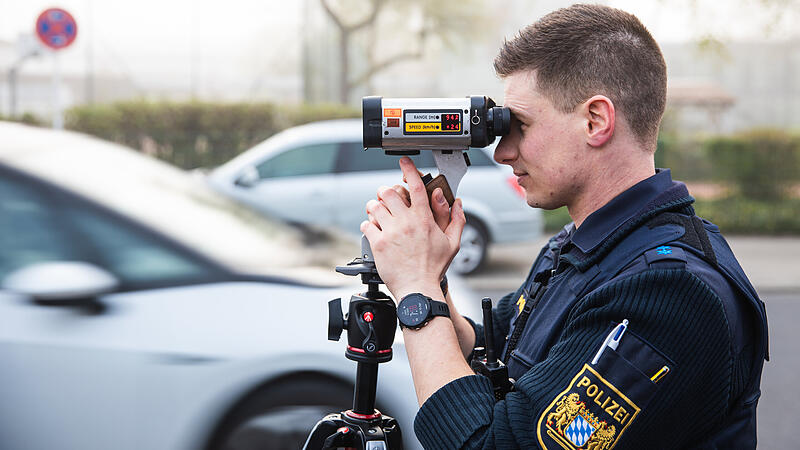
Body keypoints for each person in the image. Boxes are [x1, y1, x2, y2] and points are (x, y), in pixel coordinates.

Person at [361, 4, 768, 449]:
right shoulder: (581, 246)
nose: (502, 152)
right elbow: (489, 348)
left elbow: (492, 445)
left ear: (595, 120)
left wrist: (416, 292)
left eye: (521, 125)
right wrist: (429, 273)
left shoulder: (671, 294)